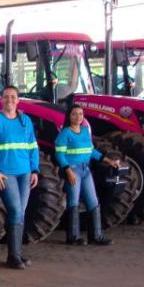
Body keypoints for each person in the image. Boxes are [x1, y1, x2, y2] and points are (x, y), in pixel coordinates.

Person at [0, 85, 39, 269]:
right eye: (6, 97)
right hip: (6, 173)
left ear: (18, 100)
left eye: (13, 97)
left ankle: (16, 255)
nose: (9, 100)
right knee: (15, 209)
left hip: (24, 172)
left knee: (20, 212)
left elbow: (33, 147)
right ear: (1, 100)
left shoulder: (25, 121)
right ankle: (13, 256)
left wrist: (35, 169)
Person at [55, 104, 117, 245]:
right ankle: (73, 237)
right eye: (74, 114)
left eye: (81, 114)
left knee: (93, 202)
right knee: (73, 202)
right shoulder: (65, 133)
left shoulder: (84, 131)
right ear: (69, 117)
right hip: (73, 170)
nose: (78, 117)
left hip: (85, 170)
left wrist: (107, 160)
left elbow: (91, 151)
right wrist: (68, 171)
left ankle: (96, 235)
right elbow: (59, 154)